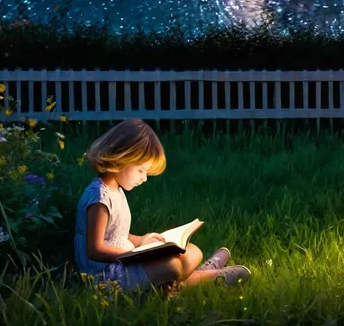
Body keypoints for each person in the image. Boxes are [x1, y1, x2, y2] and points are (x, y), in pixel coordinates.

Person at [74, 119, 251, 294]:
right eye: (141, 170)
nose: (144, 178)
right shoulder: (99, 198)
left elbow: (114, 234)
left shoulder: (114, 190)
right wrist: (134, 255)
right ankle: (210, 277)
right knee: (173, 265)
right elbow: (95, 249)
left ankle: (185, 278)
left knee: (192, 251)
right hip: (108, 276)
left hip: (124, 262)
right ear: (121, 158)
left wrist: (143, 240)